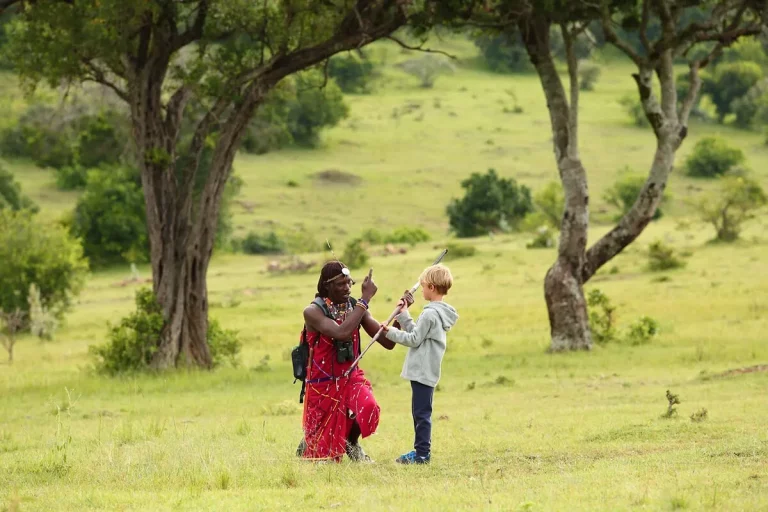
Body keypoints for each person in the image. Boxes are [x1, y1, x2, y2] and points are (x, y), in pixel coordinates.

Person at [297, 261, 408, 462]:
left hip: (351, 377)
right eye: (341, 284)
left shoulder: (355, 308)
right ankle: (310, 442)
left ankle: (352, 443)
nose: (347, 288)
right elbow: (341, 333)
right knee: (322, 457)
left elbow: (386, 342)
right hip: (323, 382)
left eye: (349, 283)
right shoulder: (313, 311)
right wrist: (364, 299)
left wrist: (401, 314)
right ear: (327, 286)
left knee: (369, 406)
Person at [380, 264, 458, 464]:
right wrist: (404, 315)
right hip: (427, 369)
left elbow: (414, 339)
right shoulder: (437, 312)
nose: (421, 290)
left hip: (423, 371)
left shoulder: (430, 314)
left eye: (423, 286)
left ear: (431, 287)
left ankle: (422, 454)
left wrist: (389, 332)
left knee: (421, 414)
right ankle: (420, 451)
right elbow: (419, 334)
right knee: (420, 412)